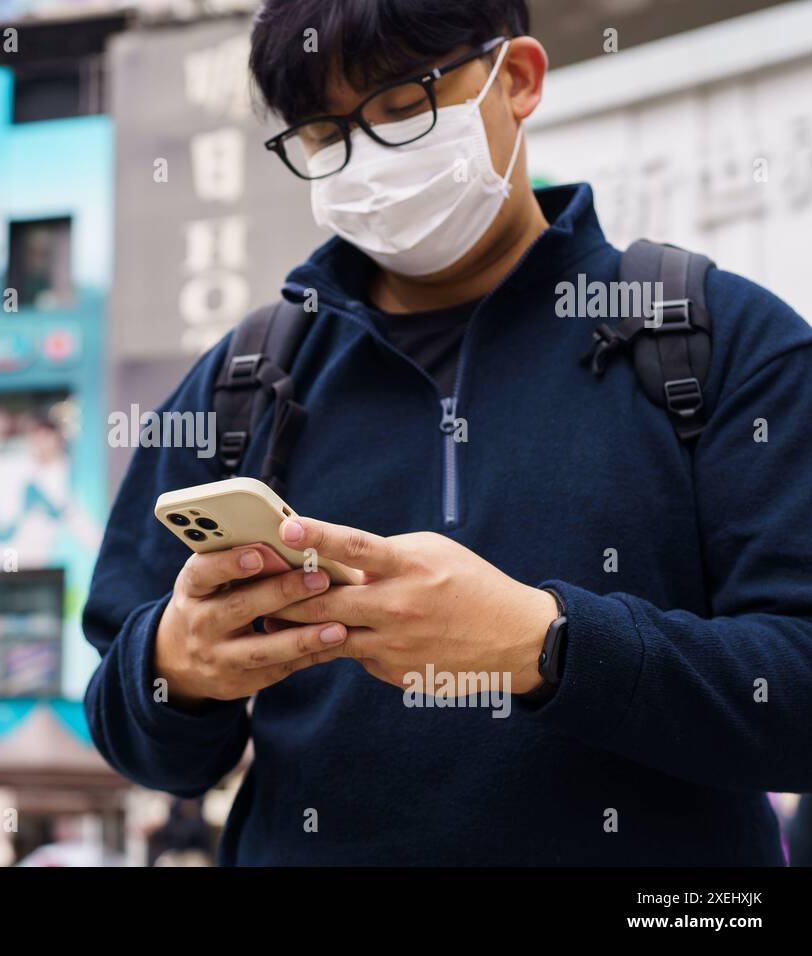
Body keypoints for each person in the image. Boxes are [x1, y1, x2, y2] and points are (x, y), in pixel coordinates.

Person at [83, 0, 812, 866]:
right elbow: (136, 734)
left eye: (402, 106)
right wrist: (175, 666)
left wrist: (549, 646)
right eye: (326, 132)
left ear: (519, 79)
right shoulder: (243, 379)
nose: (368, 158)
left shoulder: (718, 340)